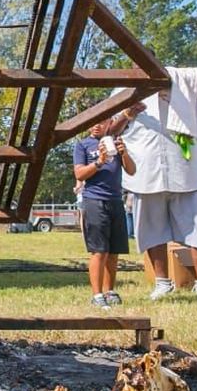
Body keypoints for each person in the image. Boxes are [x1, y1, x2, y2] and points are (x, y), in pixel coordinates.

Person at [112, 92, 197, 303]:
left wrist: (176, 98)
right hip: (146, 173)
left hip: (185, 172)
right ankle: (162, 282)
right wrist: (128, 113)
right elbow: (110, 130)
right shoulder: (122, 90)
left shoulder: (182, 86)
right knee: (153, 233)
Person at [73, 119, 137, 309]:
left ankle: (110, 291)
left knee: (113, 251)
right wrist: (99, 162)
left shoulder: (116, 141)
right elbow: (80, 174)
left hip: (116, 201)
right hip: (94, 201)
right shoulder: (83, 145)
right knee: (99, 250)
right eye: (92, 122)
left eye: (101, 122)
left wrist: (123, 152)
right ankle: (97, 294)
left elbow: (132, 171)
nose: (96, 125)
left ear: (109, 123)